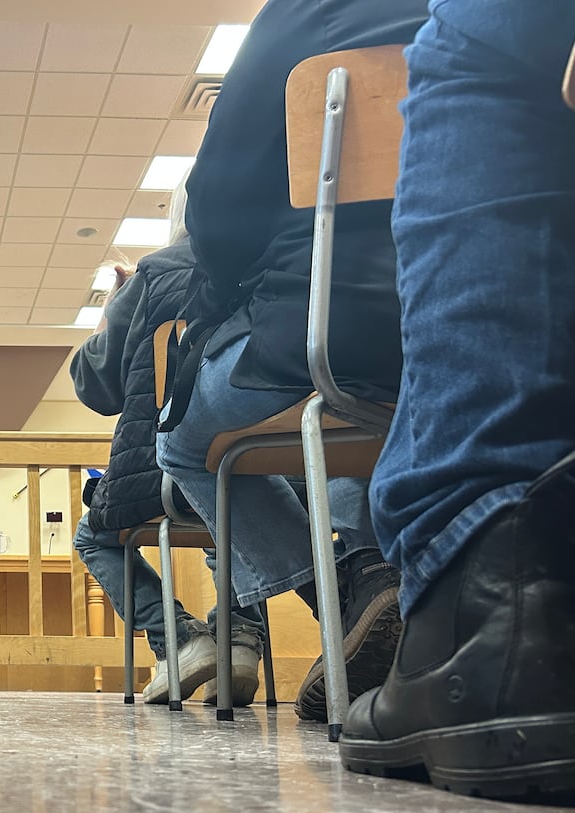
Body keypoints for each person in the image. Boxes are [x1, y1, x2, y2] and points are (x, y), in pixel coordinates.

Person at [153, 0, 429, 721]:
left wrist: (232, 288)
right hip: (476, 314)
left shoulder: (306, 15)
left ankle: (351, 589)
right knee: (356, 442)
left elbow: (216, 206)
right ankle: (412, 611)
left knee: (180, 443)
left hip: (331, 329)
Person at [338, 0, 575, 804]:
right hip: (368, 329)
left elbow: (220, 224)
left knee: (484, 37)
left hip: (309, 340)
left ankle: (486, 588)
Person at [71, 185, 266, 705]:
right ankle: (241, 639)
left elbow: (95, 385)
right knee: (236, 508)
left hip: (166, 478)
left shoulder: (159, 271)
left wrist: (112, 308)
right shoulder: (277, 261)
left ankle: (179, 641)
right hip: (272, 466)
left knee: (94, 536)